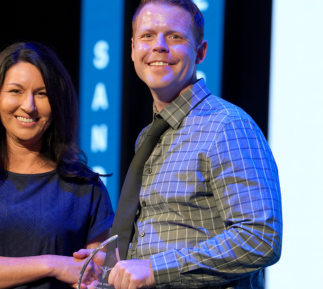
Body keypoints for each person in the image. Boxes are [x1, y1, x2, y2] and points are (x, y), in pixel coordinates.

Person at [74, 1, 282, 288]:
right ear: (133, 48)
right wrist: (112, 265)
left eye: (175, 36)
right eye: (147, 36)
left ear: (200, 52)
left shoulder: (227, 125)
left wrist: (155, 269)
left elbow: (261, 237)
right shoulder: (148, 136)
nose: (159, 46)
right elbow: (164, 235)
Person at [0, 42, 114, 289]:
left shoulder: (86, 187)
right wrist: (53, 264)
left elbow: (98, 276)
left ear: (58, 102)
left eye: (42, 93)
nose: (29, 106)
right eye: (15, 91)